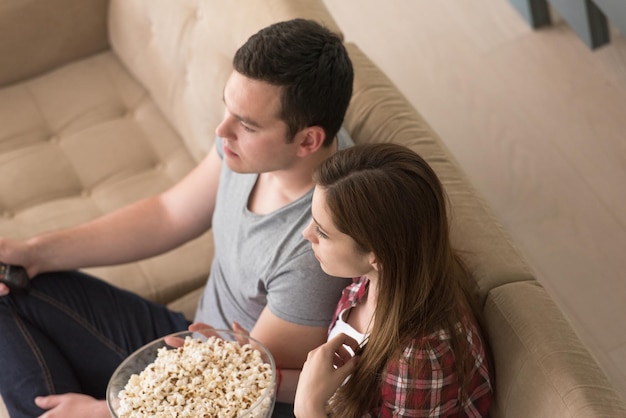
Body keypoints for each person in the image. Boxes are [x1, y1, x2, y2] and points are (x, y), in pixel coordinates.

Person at [0, 18, 353, 418]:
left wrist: (109, 409)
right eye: (228, 108)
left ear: (308, 140)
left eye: (247, 124)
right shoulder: (253, 150)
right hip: (189, 341)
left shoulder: (315, 245)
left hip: (214, 389)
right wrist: (35, 252)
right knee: (9, 283)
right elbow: (169, 214)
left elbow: (244, 381)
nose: (223, 130)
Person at [292, 143, 494, 417]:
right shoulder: (369, 282)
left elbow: (314, 398)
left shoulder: (420, 360)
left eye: (323, 233)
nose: (306, 234)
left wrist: (308, 407)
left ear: (378, 254)